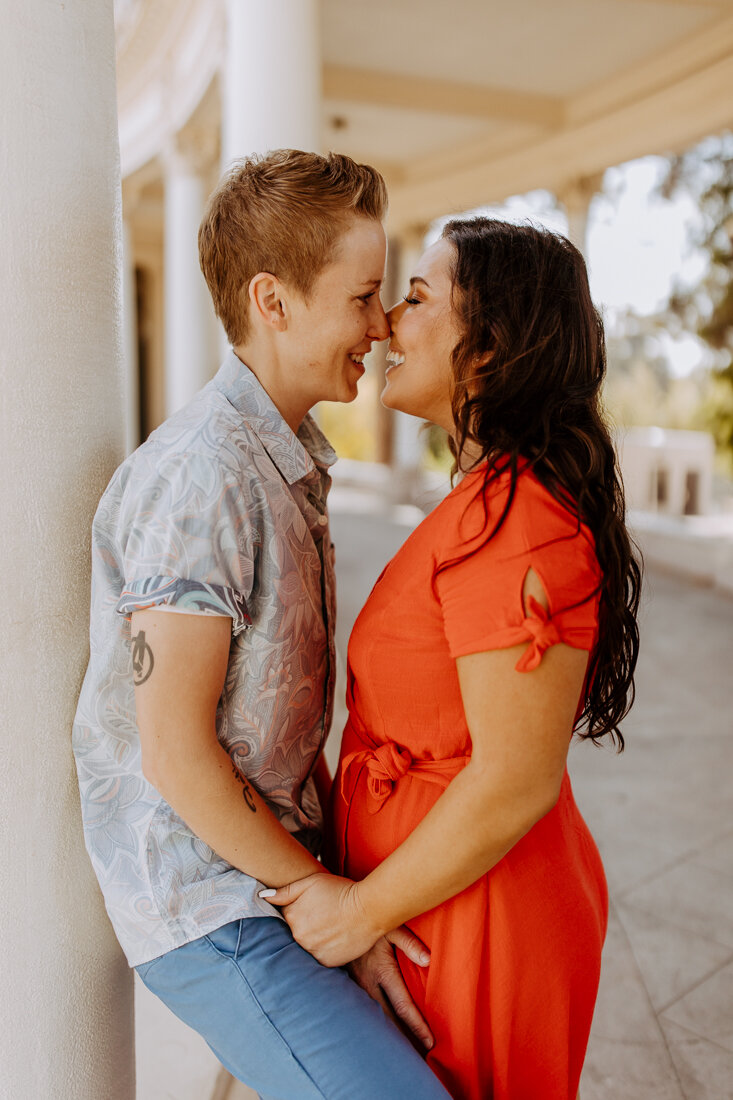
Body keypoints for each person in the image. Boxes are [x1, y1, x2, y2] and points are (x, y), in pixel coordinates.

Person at [72, 149, 452, 1100]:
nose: (381, 326)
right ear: (271, 301)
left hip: (271, 878)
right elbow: (175, 754)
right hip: (212, 905)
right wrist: (330, 901)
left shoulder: (280, 460)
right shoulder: (204, 477)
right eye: (363, 296)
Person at [263, 217, 642, 1100]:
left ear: (492, 345)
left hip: (480, 917)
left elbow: (516, 780)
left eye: (418, 296)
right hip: (431, 898)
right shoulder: (484, 499)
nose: (389, 322)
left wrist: (359, 913)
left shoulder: (519, 520)